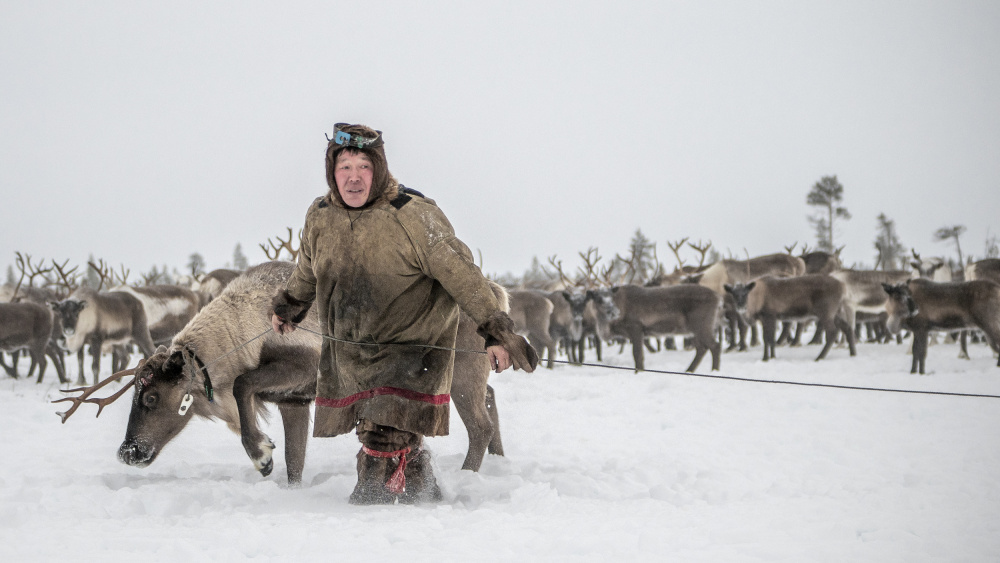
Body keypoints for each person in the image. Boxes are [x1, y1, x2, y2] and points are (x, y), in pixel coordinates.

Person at [269, 123, 537, 504]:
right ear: (332, 171)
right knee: (389, 438)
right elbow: (308, 272)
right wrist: (289, 307)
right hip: (352, 356)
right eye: (345, 167)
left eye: (364, 166)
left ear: (379, 169)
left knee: (382, 441)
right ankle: (420, 489)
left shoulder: (412, 215)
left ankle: (373, 512)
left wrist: (497, 333)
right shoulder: (321, 216)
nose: (354, 177)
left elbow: (463, 276)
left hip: (412, 354)